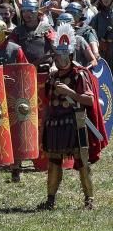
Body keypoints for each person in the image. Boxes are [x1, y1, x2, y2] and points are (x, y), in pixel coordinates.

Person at [39, 24, 107, 211]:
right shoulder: (52, 77)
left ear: (70, 56)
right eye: (57, 56)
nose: (60, 60)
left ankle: (89, 200)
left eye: (64, 56)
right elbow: (48, 103)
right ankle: (50, 200)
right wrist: (43, 126)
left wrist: (70, 92)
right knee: (53, 164)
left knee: (83, 163)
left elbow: (88, 99)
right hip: (54, 124)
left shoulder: (79, 75)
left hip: (75, 124)